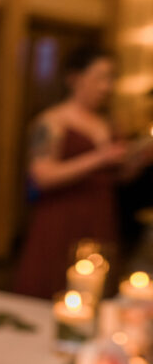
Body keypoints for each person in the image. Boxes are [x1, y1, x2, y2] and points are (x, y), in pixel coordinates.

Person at [14, 46, 153, 298]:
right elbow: (41, 177)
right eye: (99, 77)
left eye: (111, 78)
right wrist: (98, 158)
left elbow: (116, 178)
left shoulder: (109, 122)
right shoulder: (51, 121)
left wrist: (136, 162)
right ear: (74, 78)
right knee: (53, 287)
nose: (106, 86)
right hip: (62, 215)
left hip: (101, 213)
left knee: (98, 290)